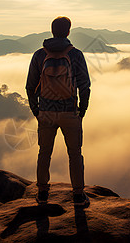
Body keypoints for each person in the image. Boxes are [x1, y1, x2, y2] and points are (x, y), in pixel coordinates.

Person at [26, 16, 91, 207]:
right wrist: (82, 109)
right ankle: (78, 196)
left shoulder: (39, 55)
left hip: (45, 112)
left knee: (44, 153)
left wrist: (36, 110)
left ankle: (43, 193)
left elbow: (30, 86)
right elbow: (84, 85)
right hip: (70, 112)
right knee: (75, 154)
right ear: (69, 31)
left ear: (52, 31)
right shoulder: (76, 54)